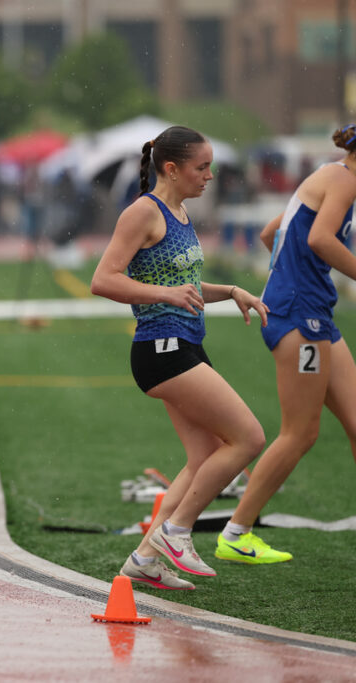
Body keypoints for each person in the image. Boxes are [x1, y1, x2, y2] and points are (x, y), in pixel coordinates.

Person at [90, 125, 269, 589]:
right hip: (160, 350)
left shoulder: (181, 212)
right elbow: (104, 279)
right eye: (202, 167)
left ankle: (146, 558)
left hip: (186, 344)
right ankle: (176, 531)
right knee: (248, 438)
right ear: (171, 168)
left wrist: (230, 291)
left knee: (204, 454)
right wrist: (164, 295)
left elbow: (186, 287)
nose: (210, 176)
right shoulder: (142, 213)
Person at [215, 124, 356, 565]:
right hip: (300, 315)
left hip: (311, 312)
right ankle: (237, 532)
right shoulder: (344, 181)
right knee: (300, 433)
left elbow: (271, 233)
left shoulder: (332, 176)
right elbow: (318, 239)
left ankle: (237, 530)